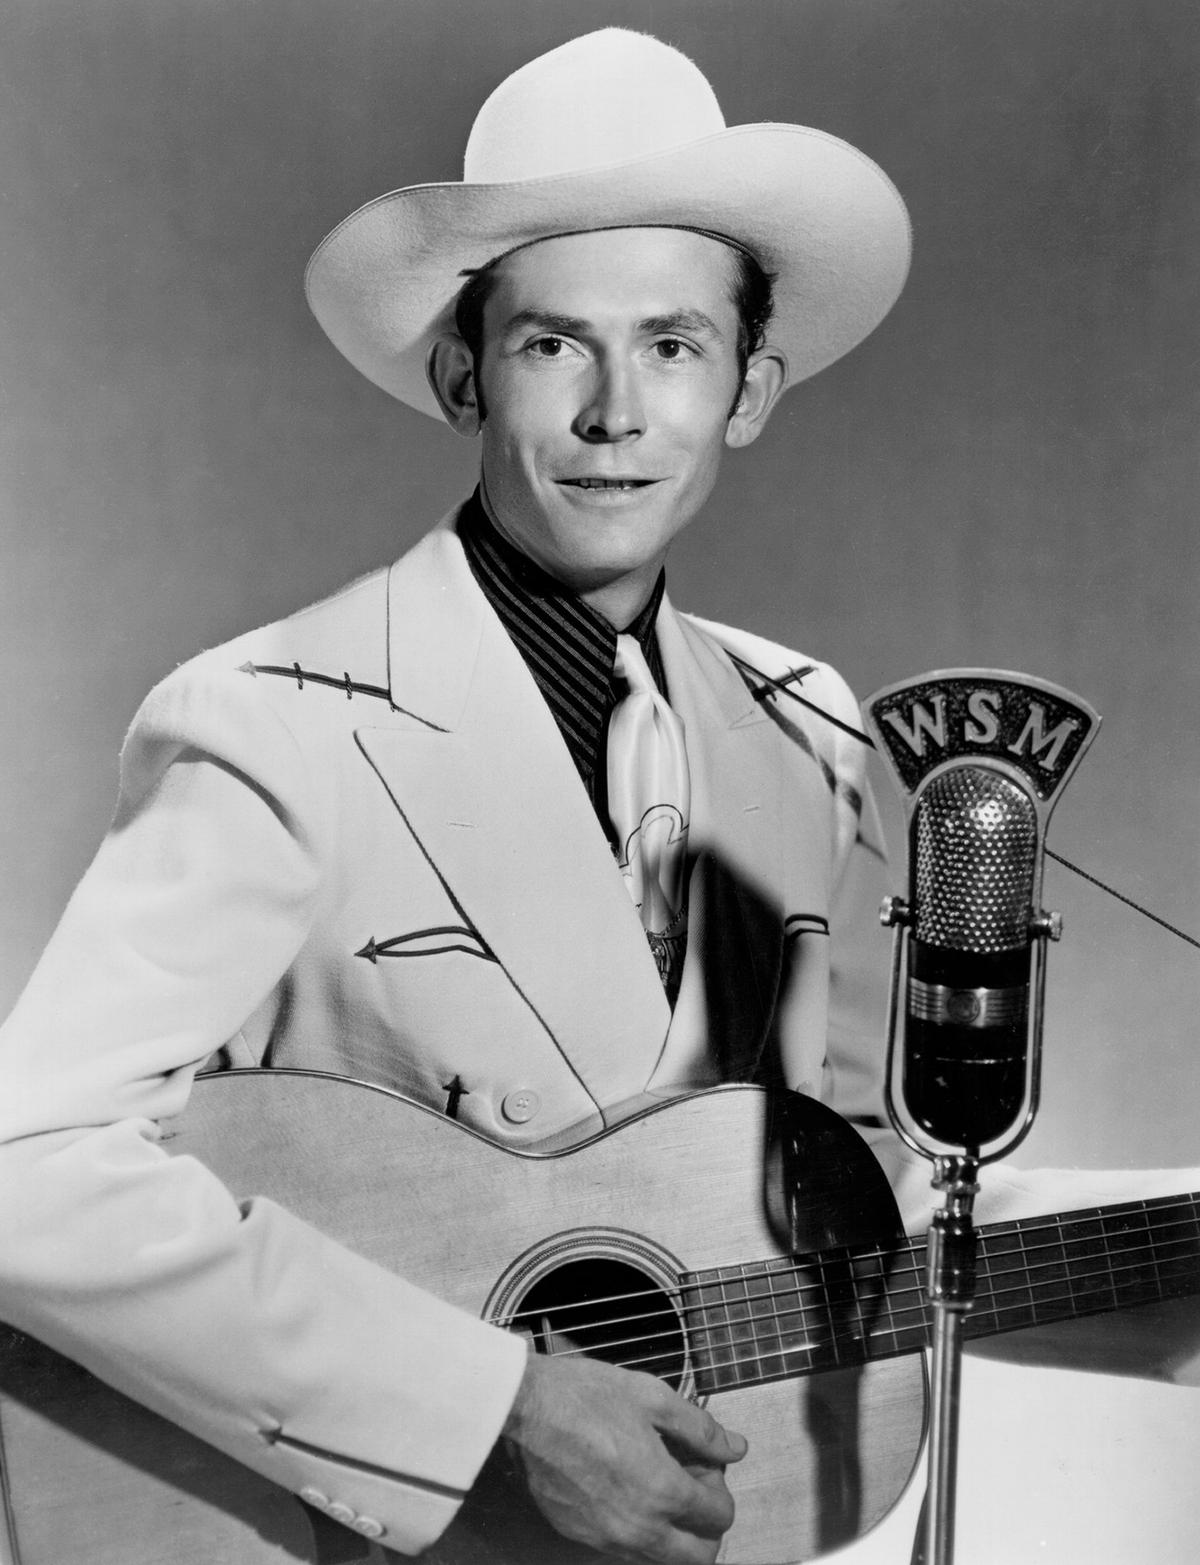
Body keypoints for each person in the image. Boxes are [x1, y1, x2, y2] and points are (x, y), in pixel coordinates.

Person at [0, 28, 1195, 1565]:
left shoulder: (806, 732)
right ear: (461, 368)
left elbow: (859, 1205)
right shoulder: (272, 724)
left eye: (676, 345)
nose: (618, 413)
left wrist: (1163, 1245)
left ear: (750, 387)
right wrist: (497, 1403)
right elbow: (23, 1161)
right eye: (556, 344)